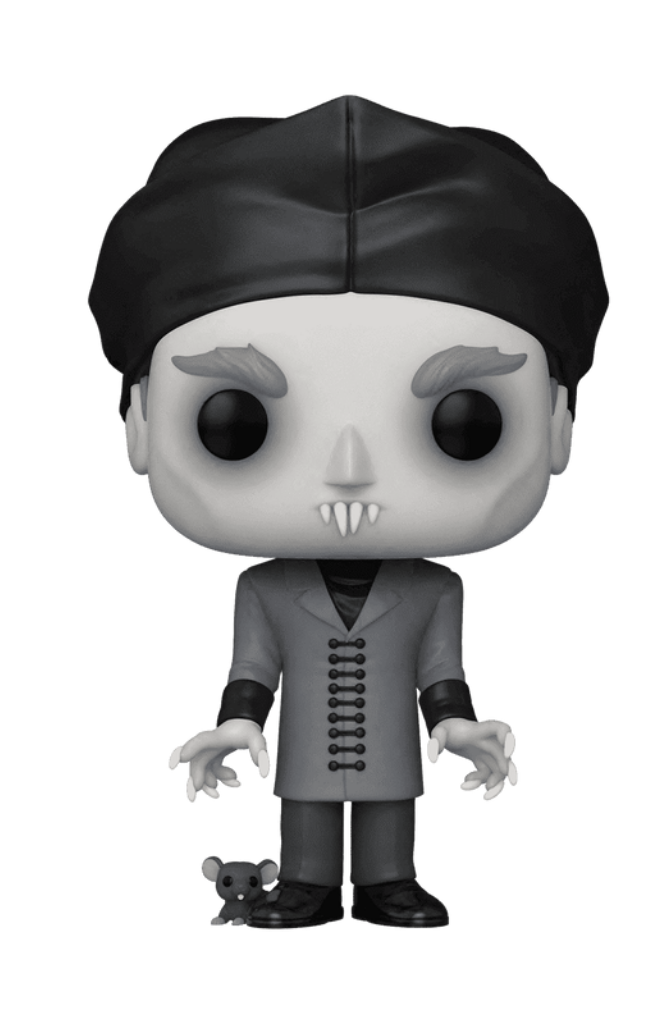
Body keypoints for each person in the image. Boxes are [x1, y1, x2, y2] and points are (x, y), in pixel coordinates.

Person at [89, 95, 608, 929]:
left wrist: (458, 725)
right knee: (304, 818)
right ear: (140, 426)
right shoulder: (260, 589)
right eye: (236, 423)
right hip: (300, 759)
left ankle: (388, 883)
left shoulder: (437, 590)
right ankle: (304, 884)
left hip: (395, 755)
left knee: (389, 819)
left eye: (464, 424)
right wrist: (235, 725)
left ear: (557, 428)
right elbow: (253, 667)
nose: (349, 475)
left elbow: (441, 671)